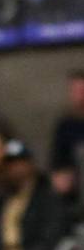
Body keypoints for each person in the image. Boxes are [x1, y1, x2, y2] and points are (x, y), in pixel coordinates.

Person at [0, 140, 66, 250]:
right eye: (9, 164)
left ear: (30, 163)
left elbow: (50, 240)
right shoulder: (0, 201)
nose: (14, 168)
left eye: (19, 162)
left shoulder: (47, 197)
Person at [50, 70, 84, 224]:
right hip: (76, 188)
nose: (80, 96)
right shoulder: (66, 126)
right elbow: (57, 165)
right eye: (76, 91)